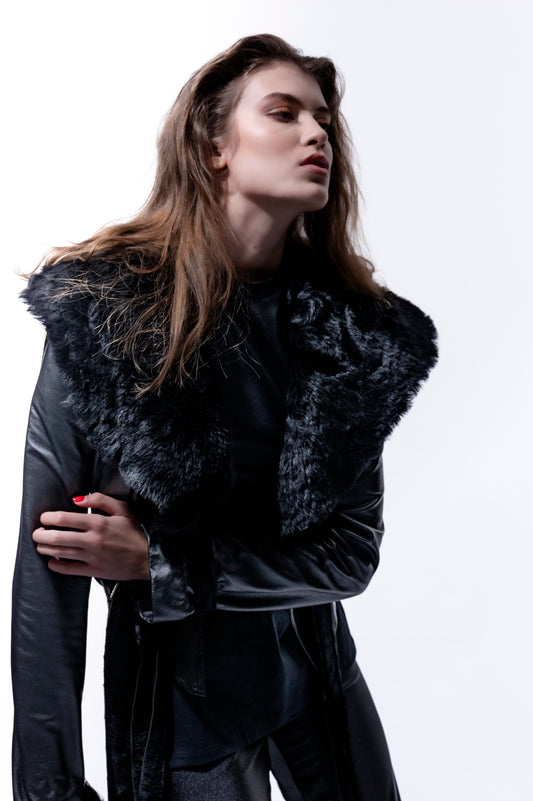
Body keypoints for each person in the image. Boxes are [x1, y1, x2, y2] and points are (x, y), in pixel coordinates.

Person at [11, 33, 438, 801]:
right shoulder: (102, 318)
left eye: (324, 119)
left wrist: (164, 564)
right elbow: (49, 571)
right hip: (182, 714)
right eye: (284, 113)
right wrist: (50, 788)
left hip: (320, 683)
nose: (317, 134)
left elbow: (349, 555)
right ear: (214, 147)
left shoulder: (350, 336)